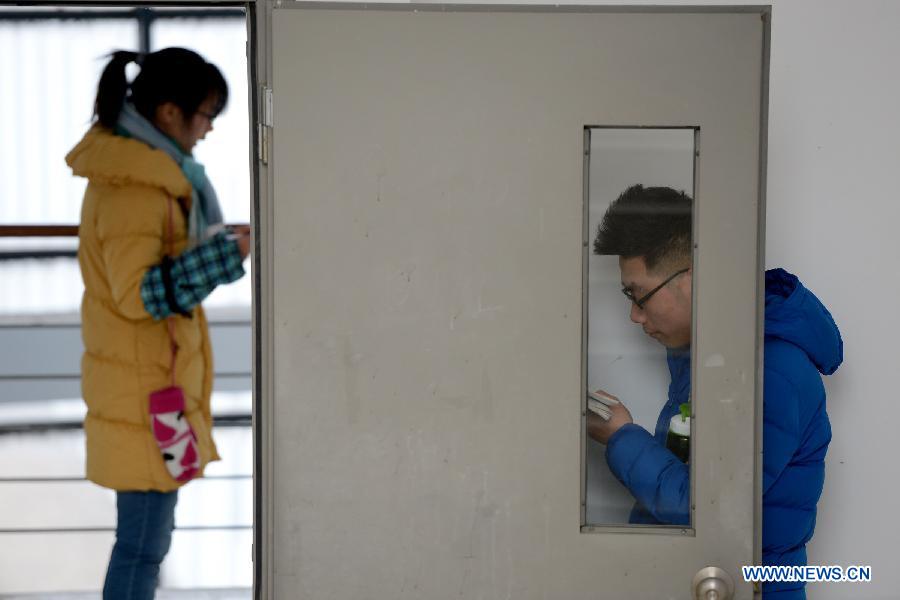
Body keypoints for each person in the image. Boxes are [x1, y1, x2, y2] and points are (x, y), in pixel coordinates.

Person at [588, 184, 842, 599]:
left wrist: (621, 436)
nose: (634, 316)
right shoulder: (708, 353)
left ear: (689, 279)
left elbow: (705, 509)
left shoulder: (771, 372)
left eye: (638, 296)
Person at [66, 48, 249, 599]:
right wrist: (227, 255)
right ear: (169, 113)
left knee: (147, 543)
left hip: (154, 394)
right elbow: (139, 295)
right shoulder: (135, 185)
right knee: (142, 545)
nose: (210, 128)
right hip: (147, 400)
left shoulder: (151, 175)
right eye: (206, 113)